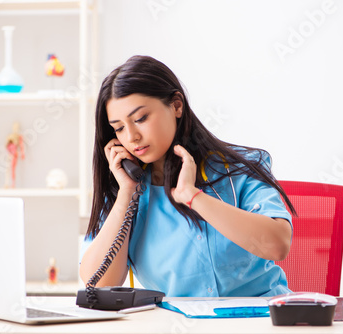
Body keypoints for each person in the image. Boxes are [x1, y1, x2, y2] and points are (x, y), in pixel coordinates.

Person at [79, 55, 296, 297]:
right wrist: (126, 194)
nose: (131, 137)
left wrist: (193, 197)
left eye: (140, 119)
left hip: (257, 321)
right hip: (176, 323)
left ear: (176, 105)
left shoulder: (241, 167)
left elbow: (277, 246)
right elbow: (97, 285)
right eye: (119, 128)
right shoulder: (125, 190)